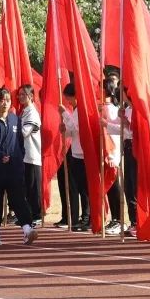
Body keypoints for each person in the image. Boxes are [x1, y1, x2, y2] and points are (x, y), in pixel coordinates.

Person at [0, 87, 38, 247]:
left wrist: (19, 156)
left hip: (14, 168)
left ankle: (27, 229)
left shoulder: (15, 120)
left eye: (7, 100)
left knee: (19, 199)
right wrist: (0, 155)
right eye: (1, 100)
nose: (4, 103)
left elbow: (20, 141)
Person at [58, 84, 91, 232]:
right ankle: (85, 218)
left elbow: (78, 127)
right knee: (81, 187)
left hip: (83, 153)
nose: (68, 101)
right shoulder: (75, 111)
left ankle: (87, 217)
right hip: (76, 152)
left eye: (68, 98)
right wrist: (64, 129)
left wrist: (65, 114)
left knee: (85, 189)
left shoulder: (82, 110)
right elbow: (72, 132)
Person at [18, 85, 43, 226]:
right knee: (27, 186)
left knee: (33, 187)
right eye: (20, 94)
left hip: (32, 154)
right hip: (24, 155)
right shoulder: (24, 112)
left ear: (31, 96)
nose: (21, 97)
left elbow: (24, 132)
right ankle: (29, 213)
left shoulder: (32, 112)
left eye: (24, 94)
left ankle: (37, 214)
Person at [101, 83, 123, 235]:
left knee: (114, 185)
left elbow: (118, 131)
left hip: (113, 151)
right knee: (109, 186)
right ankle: (114, 218)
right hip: (105, 152)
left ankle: (119, 219)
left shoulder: (113, 110)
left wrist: (111, 153)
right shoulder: (102, 108)